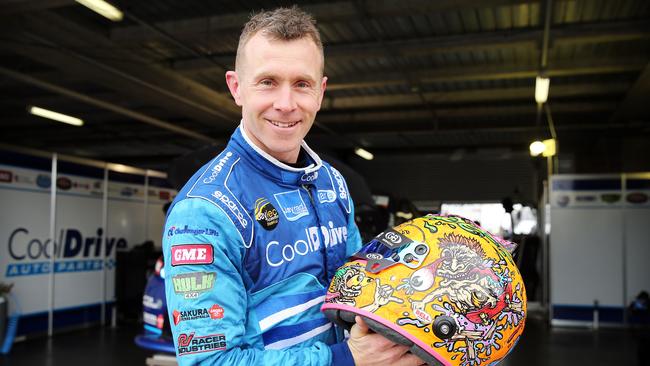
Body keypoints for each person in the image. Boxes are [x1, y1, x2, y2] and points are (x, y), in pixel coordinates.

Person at [162, 6, 424, 366]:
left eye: (302, 84)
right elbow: (211, 362)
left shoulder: (332, 182)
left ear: (320, 91)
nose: (285, 105)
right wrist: (344, 360)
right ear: (236, 88)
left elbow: (356, 292)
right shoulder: (204, 211)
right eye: (267, 82)